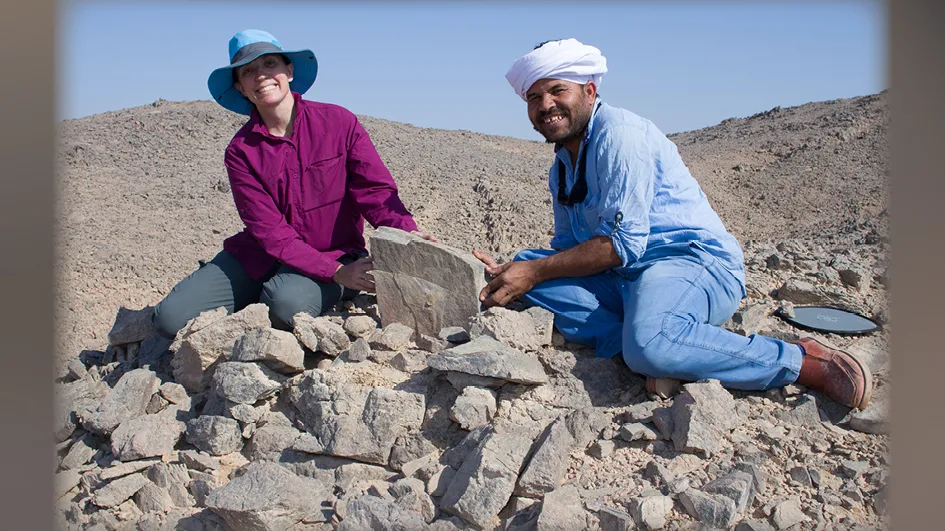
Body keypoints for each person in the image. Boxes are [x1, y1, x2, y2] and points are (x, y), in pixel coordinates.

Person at [473, 39, 872, 409]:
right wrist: (518, 270)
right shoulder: (562, 166)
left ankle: (802, 362)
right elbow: (567, 248)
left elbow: (618, 245)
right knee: (523, 275)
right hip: (626, 277)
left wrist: (535, 271)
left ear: (589, 92)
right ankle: (660, 353)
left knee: (648, 340)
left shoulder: (620, 137)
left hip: (689, 264)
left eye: (557, 90)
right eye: (534, 97)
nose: (546, 105)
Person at [152, 29, 433, 339]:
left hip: (333, 253)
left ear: (289, 71)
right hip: (261, 255)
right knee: (170, 319)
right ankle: (262, 288)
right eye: (248, 71)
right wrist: (337, 275)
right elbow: (270, 232)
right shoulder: (240, 151)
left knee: (285, 306)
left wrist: (409, 236)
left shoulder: (339, 123)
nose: (261, 76)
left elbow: (375, 193)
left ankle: (332, 289)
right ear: (240, 87)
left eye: (269, 64)